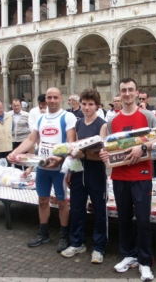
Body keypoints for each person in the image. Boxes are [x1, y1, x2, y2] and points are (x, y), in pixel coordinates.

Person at [99, 78, 156, 281]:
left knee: (142, 220)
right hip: (120, 176)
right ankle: (129, 255)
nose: (127, 93)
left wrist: (144, 147)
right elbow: (110, 148)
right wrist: (106, 155)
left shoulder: (148, 116)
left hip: (142, 176)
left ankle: (145, 262)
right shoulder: (112, 120)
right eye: (124, 90)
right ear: (120, 94)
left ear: (137, 93)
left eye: (131, 90)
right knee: (123, 219)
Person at [7, 87, 77, 252]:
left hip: (59, 167)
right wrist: (14, 153)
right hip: (43, 167)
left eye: (55, 97)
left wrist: (61, 159)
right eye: (49, 97)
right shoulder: (40, 118)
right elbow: (31, 140)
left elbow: (70, 143)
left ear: (60, 98)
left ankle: (63, 235)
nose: (52, 100)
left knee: (62, 202)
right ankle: (43, 233)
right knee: (42, 200)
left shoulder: (68, 117)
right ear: (45, 99)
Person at [61, 89, 108, 264]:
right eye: (84, 104)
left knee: (99, 209)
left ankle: (99, 246)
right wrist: (70, 171)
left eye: (90, 104)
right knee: (77, 208)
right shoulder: (78, 124)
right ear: (80, 104)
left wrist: (84, 155)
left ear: (97, 105)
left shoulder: (102, 124)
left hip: (95, 172)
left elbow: (102, 152)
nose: (87, 107)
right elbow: (74, 150)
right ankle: (77, 242)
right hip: (79, 171)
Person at [8, 99, 30, 169]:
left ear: (21, 106)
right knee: (16, 160)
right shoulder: (8, 115)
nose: (16, 107)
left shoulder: (27, 115)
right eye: (14, 106)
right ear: (12, 106)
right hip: (12, 141)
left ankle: (26, 173)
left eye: (17, 105)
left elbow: (30, 127)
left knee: (25, 160)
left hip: (23, 141)